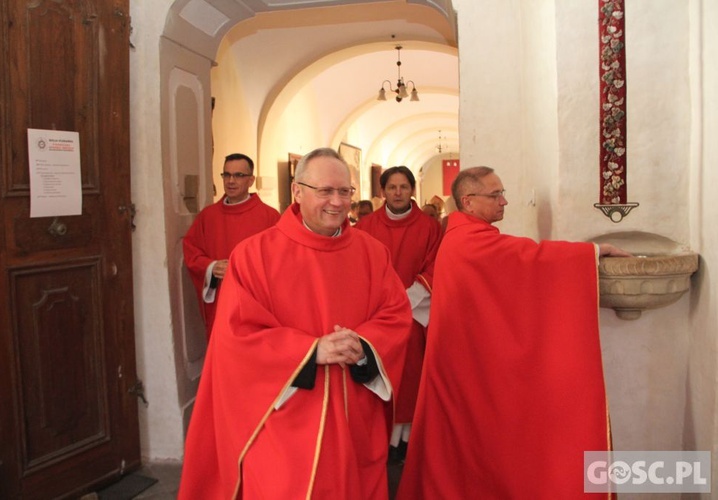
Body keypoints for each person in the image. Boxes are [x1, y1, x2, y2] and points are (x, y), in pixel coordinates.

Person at [179, 148, 412, 499]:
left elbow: (395, 313)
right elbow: (238, 335)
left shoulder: (371, 252)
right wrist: (310, 350)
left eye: (345, 192)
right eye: (325, 191)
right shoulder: (254, 255)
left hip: (355, 417)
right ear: (298, 191)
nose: (337, 202)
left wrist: (364, 344)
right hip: (285, 417)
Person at [397, 166, 630, 499]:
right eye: (495, 195)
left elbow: (518, 266)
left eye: (502, 192)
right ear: (469, 201)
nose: (504, 201)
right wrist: (590, 253)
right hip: (465, 370)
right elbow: (529, 258)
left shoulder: (463, 236)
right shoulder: (468, 241)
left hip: (462, 365)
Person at [355, 166, 442, 464]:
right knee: (383, 372)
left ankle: (406, 439)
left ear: (412, 190)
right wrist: (383, 303)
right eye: (391, 187)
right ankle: (379, 437)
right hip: (376, 315)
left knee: (411, 377)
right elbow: (356, 266)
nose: (398, 193)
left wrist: (407, 299)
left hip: (414, 314)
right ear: (382, 192)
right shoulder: (365, 226)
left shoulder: (430, 227)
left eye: (403, 187)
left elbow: (435, 265)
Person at [182, 153, 280, 339]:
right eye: (226, 175)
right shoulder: (208, 216)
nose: (231, 181)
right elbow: (191, 250)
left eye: (238, 175)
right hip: (221, 299)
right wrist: (211, 266)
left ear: (251, 180)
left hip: (256, 301)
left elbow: (282, 261)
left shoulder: (269, 217)